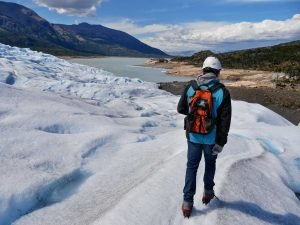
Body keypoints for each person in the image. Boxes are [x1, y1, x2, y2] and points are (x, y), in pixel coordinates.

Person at [177, 56, 232, 217]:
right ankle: (208, 192)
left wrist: (195, 113)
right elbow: (224, 121)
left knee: (191, 167)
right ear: (218, 71)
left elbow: (181, 109)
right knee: (210, 163)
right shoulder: (222, 91)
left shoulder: (191, 87)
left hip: (193, 136)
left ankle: (187, 202)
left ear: (203, 69)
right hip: (211, 138)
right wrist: (221, 142)